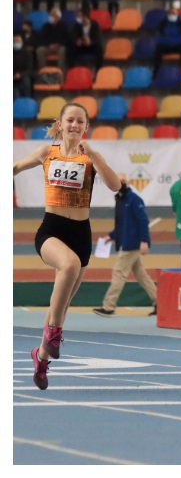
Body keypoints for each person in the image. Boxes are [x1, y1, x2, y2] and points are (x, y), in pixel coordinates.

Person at [13, 103, 122, 389]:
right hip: (51, 229)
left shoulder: (90, 158)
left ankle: (41, 357)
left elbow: (115, 186)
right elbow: (14, 167)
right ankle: (55, 332)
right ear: (60, 124)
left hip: (80, 234)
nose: (74, 125)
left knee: (60, 302)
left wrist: (94, 155)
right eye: (70, 120)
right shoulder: (46, 153)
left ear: (86, 127)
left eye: (80, 121)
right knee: (69, 265)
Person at [93, 174, 157, 317]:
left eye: (122, 182)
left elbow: (143, 221)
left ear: (127, 183)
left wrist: (144, 241)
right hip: (127, 242)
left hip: (131, 244)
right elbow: (121, 224)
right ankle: (160, 302)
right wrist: (111, 236)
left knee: (119, 272)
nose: (120, 184)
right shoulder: (120, 200)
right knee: (142, 275)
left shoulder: (134, 200)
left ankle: (109, 306)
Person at [154, 7, 181, 75]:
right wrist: (174, 38)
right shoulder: (163, 23)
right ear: (167, 14)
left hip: (178, 46)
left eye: (174, 13)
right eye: (170, 13)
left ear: (177, 14)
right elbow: (159, 38)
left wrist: (169, 38)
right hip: (166, 46)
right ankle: (155, 73)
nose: (172, 15)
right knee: (158, 49)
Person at [35, 7, 70, 72]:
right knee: (40, 50)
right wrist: (48, 45)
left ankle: (60, 71)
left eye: (53, 15)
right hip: (48, 47)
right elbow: (42, 38)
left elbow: (67, 39)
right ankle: (43, 71)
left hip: (59, 47)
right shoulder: (45, 26)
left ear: (58, 17)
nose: (50, 17)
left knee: (63, 50)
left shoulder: (64, 26)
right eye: (50, 15)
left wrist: (58, 44)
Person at [14, 33, 34, 100]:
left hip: (23, 76)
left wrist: (20, 75)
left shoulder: (27, 53)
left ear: (22, 42)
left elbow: (29, 69)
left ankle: (27, 100)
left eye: (18, 41)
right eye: (14, 42)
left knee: (26, 80)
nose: (16, 43)